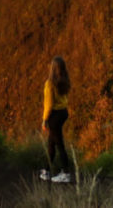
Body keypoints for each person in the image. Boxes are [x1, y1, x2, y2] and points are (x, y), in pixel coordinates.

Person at [40, 55, 71, 183]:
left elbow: (49, 104)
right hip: (63, 112)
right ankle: (47, 170)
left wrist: (44, 119)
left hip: (55, 115)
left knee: (59, 144)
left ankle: (66, 173)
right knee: (51, 142)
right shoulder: (65, 81)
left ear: (52, 68)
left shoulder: (49, 83)